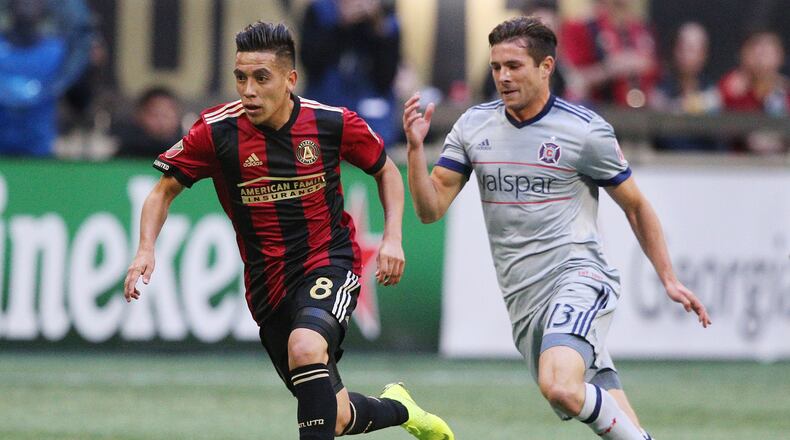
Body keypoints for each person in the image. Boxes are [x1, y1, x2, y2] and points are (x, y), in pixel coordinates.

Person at [123, 22, 453, 440]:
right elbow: (160, 193)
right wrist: (145, 250)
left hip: (328, 260)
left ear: (290, 79)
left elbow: (385, 169)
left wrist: (392, 237)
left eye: (261, 78)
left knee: (305, 347)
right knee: (333, 415)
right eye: (241, 77)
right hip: (267, 286)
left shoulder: (331, 123)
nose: (248, 89)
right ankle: (401, 409)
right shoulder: (216, 131)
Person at [404, 17, 710, 439]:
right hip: (525, 300)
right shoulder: (474, 126)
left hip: (579, 276)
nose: (503, 77)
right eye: (496, 67)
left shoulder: (584, 131)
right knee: (593, 396)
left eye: (514, 66)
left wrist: (669, 278)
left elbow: (636, 206)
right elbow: (429, 208)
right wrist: (417, 153)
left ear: (546, 67)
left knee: (560, 387)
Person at [300, 0, 401, 146]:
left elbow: (386, 78)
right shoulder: (319, 11)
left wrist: (379, 30)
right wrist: (341, 24)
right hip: (325, 105)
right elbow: (311, 65)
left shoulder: (386, 20)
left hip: (370, 112)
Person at [0, 0, 93, 156]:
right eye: (20, 2)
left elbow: (78, 97)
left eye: (33, 2)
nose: (26, 6)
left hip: (40, 148)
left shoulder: (57, 51)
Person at [560, 0, 659, 108]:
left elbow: (655, 76)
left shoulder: (642, 29)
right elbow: (576, 81)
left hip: (637, 112)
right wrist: (613, 68)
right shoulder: (582, 27)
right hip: (596, 111)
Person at [651, 22, 724, 152]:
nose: (686, 55)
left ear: (704, 54)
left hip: (707, 164)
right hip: (667, 164)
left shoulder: (712, 92)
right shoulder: (660, 91)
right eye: (682, 48)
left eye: (693, 50)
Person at [718, 30, 789, 154]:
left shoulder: (784, 90)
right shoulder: (731, 86)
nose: (761, 56)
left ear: (780, 56)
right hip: (740, 164)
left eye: (768, 51)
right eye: (757, 50)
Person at [113, 87, 184, 158]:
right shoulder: (123, 150)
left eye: (166, 115)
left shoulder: (187, 151)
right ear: (139, 115)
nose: (161, 121)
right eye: (155, 115)